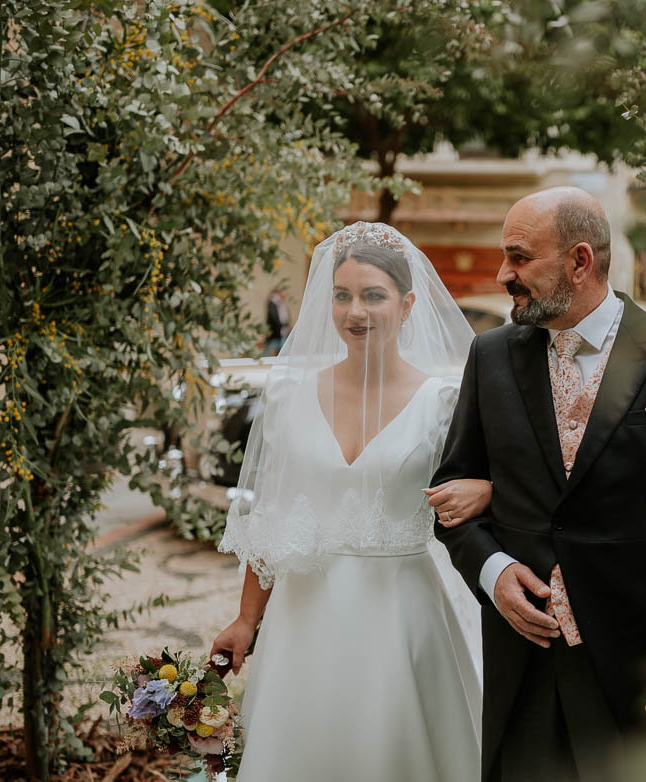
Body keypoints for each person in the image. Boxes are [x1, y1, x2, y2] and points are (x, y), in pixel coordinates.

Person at [433, 187, 646, 782]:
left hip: (636, 664)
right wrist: (493, 572)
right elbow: (451, 498)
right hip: (522, 655)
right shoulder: (491, 356)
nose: (503, 274)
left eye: (520, 258)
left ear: (579, 261)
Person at [212, 222, 489, 781]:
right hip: (304, 618)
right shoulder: (290, 395)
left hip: (403, 615)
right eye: (342, 296)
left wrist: (489, 488)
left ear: (408, 304)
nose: (354, 312)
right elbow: (273, 517)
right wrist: (247, 618)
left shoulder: (445, 401)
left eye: (373, 296)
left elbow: (493, 480)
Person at [264, 288, 290, 356]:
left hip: (282, 333)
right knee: (268, 352)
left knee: (283, 353)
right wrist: (285, 325)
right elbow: (274, 319)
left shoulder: (281, 304)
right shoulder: (273, 303)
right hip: (274, 333)